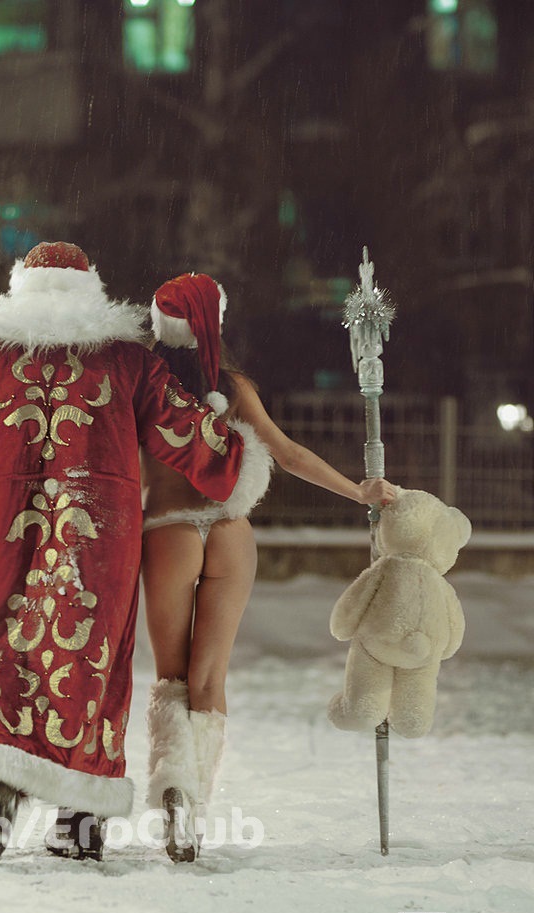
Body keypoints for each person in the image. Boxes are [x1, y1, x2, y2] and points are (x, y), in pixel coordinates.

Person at [0, 242, 267, 864]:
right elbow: (186, 433)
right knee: (90, 654)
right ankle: (81, 819)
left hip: (7, 535)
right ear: (90, 289)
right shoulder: (127, 361)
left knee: (1, 649)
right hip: (98, 541)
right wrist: (237, 460)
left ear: (19, 290)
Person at [141, 272, 397, 862]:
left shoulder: (139, 385)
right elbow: (289, 454)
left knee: (172, 676)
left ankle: (173, 784)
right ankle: (194, 803)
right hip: (230, 531)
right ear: (215, 324)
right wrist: (358, 491)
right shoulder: (231, 387)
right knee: (210, 678)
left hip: (170, 530)